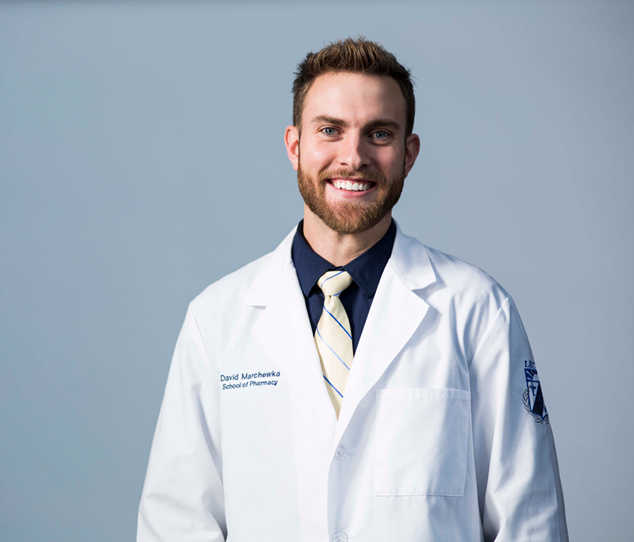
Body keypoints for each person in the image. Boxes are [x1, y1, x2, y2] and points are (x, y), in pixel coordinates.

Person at [137, 37, 568, 542]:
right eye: (330, 130)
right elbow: (177, 522)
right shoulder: (216, 318)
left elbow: (529, 520)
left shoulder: (476, 310)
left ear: (408, 154)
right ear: (295, 146)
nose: (353, 156)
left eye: (378, 134)